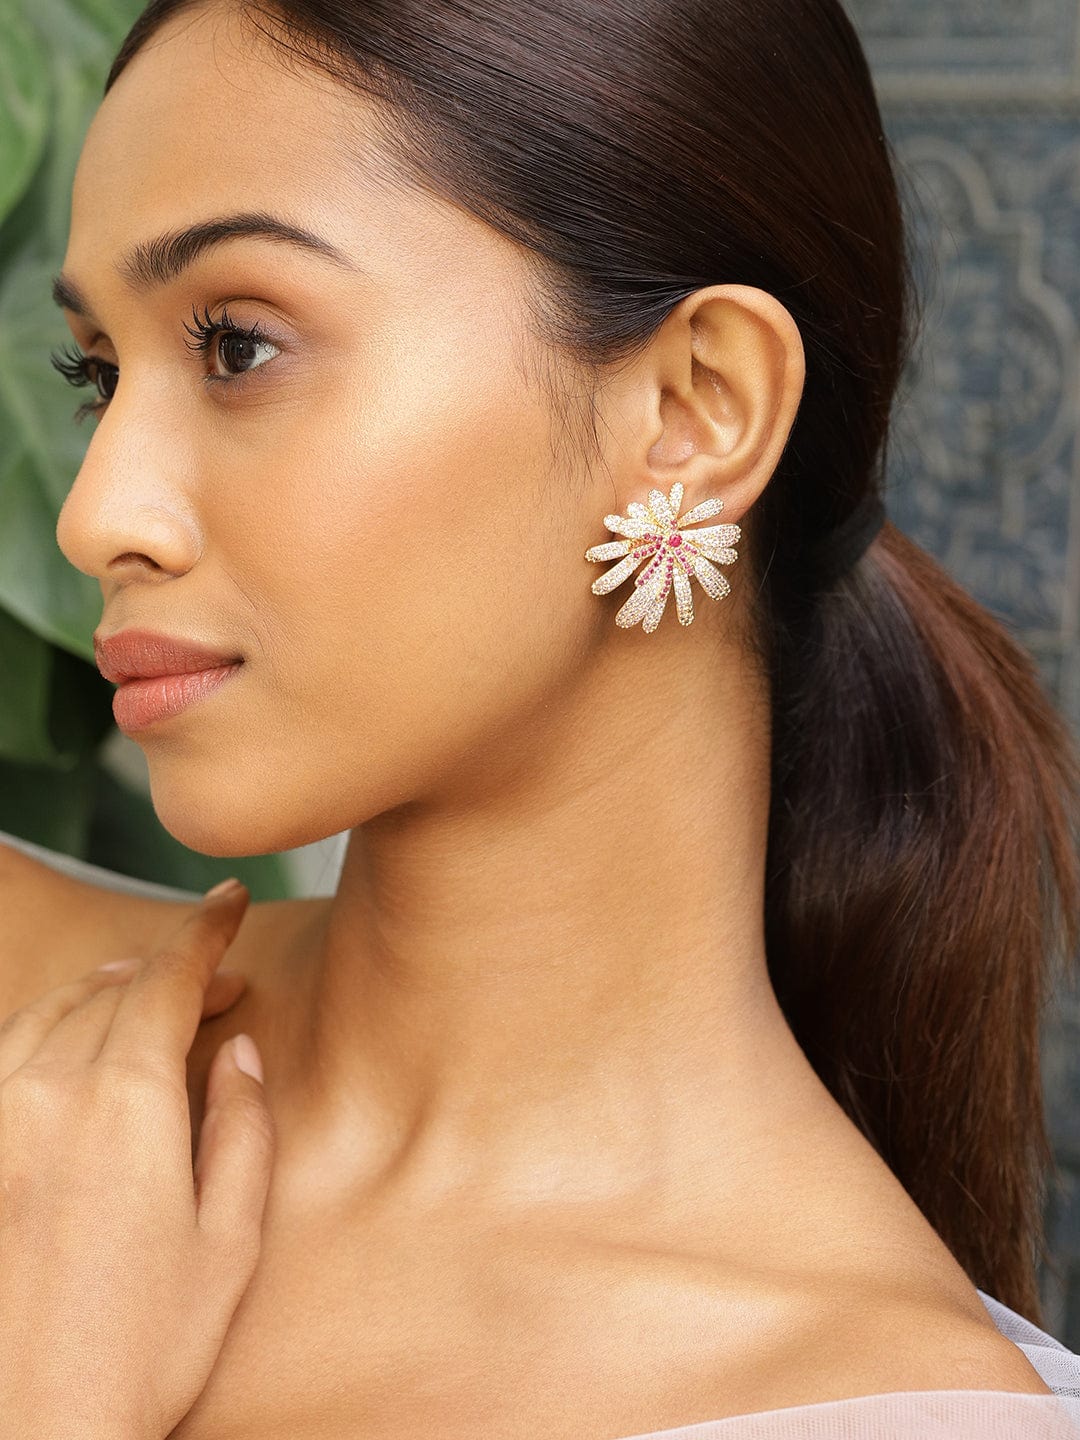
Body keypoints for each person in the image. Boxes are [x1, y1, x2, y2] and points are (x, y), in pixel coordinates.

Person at [3, 0, 1080, 1434]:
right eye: (97, 373)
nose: (96, 516)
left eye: (238, 347)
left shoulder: (879, 1405)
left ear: (696, 409)